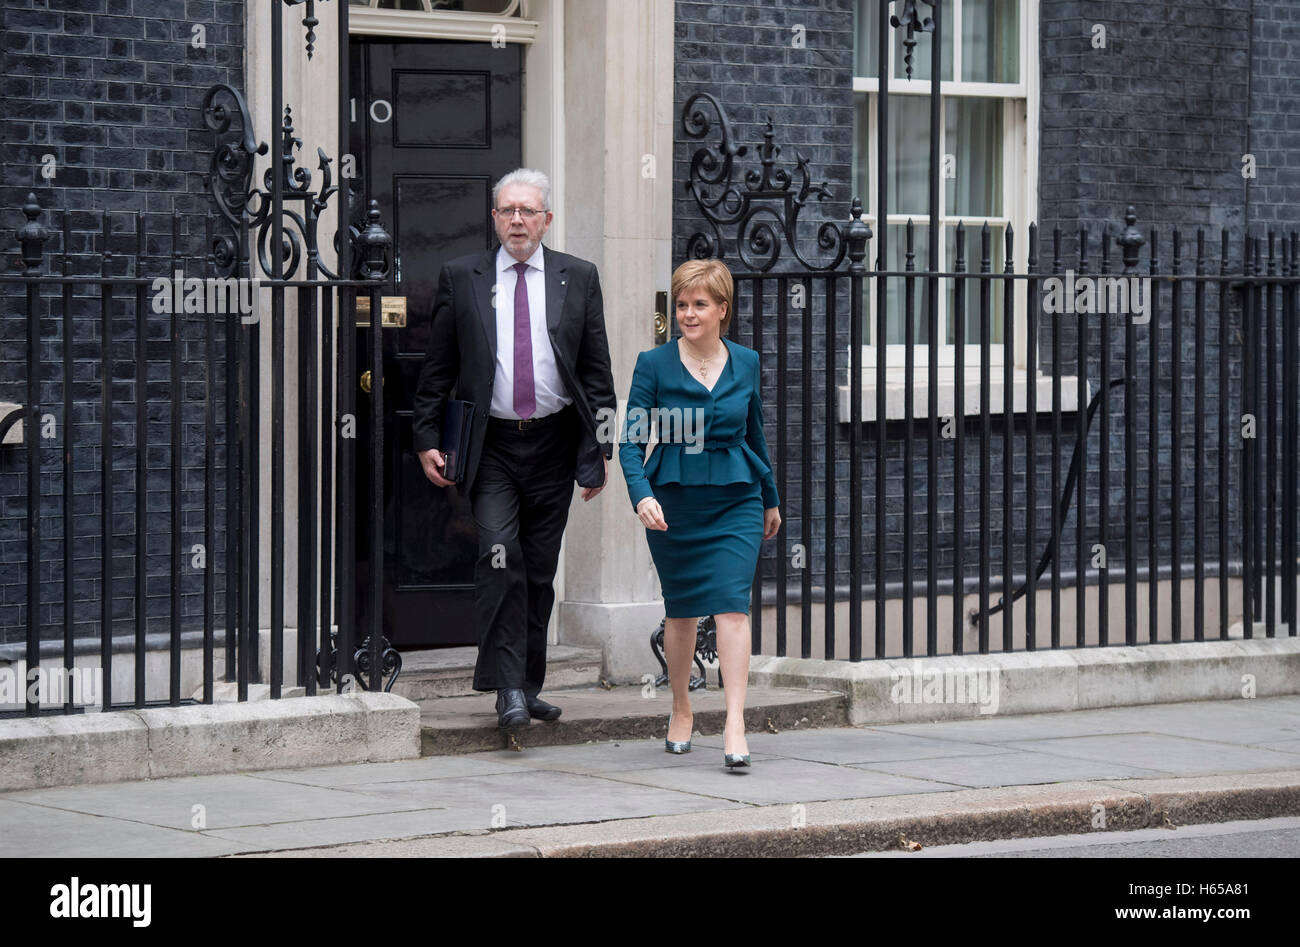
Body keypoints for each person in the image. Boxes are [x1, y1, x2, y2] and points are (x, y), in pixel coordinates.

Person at [413, 168, 616, 730]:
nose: (518, 220)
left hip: (554, 443)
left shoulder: (578, 276)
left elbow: (597, 372)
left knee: (540, 570)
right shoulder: (464, 276)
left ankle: (528, 684)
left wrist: (601, 448)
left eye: (528, 211)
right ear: (495, 218)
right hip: (493, 446)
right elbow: (438, 370)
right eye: (507, 210)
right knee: (499, 557)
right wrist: (428, 438)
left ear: (546, 219)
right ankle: (507, 689)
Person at [619, 258, 781, 769]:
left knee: (733, 605)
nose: (688, 314)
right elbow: (629, 440)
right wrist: (641, 494)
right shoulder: (653, 363)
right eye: (682, 305)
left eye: (699, 305)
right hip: (674, 500)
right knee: (683, 610)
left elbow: (755, 432)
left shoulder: (747, 362)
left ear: (721, 310)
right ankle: (682, 708)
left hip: (737, 498)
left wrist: (771, 497)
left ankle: (735, 721)